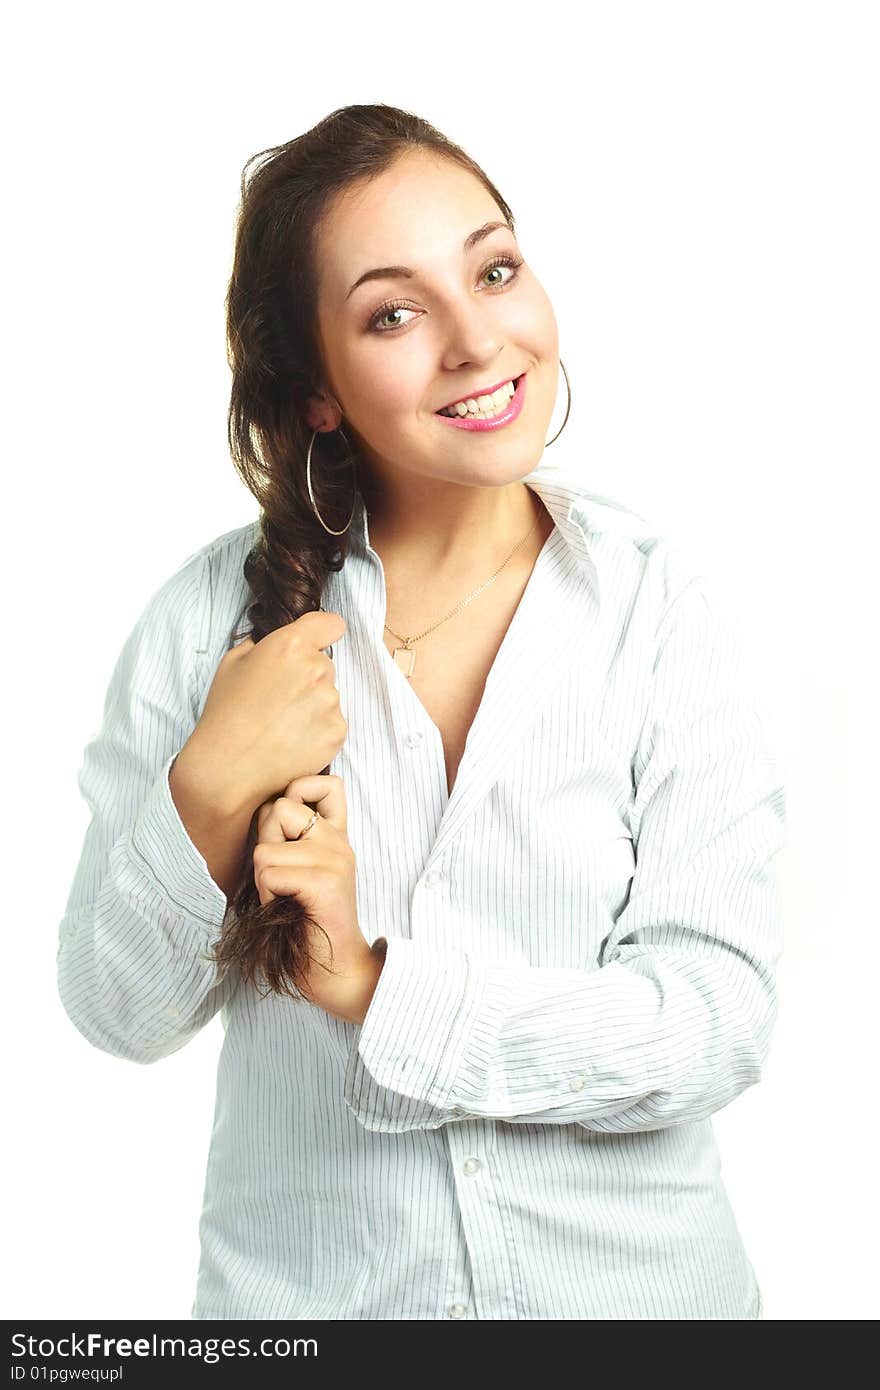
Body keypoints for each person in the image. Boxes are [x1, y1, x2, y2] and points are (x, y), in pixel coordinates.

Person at [56, 103, 786, 1320]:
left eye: (493, 269)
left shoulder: (658, 615)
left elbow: (715, 1022)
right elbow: (115, 1010)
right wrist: (208, 788)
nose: (474, 341)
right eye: (393, 313)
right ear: (319, 391)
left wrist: (377, 987)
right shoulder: (206, 625)